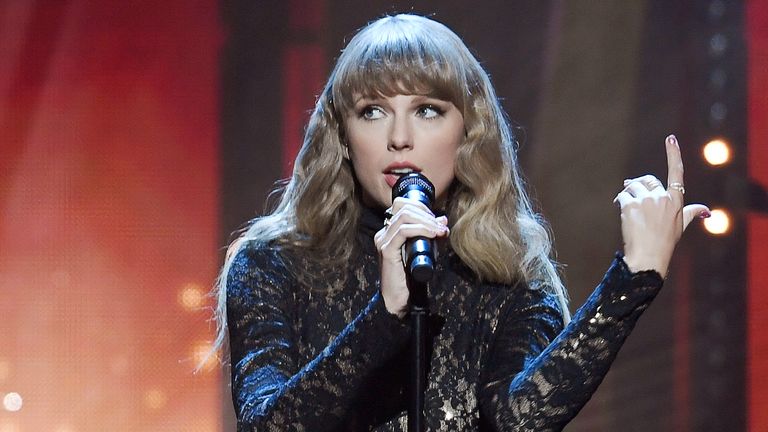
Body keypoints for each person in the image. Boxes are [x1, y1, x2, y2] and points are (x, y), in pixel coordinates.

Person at [209, 13, 710, 431]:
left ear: (468, 130)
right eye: (373, 111)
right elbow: (265, 426)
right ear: (341, 135)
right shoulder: (272, 263)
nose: (400, 137)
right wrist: (384, 315)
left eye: (427, 110)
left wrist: (633, 279)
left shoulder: (511, 272)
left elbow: (519, 419)